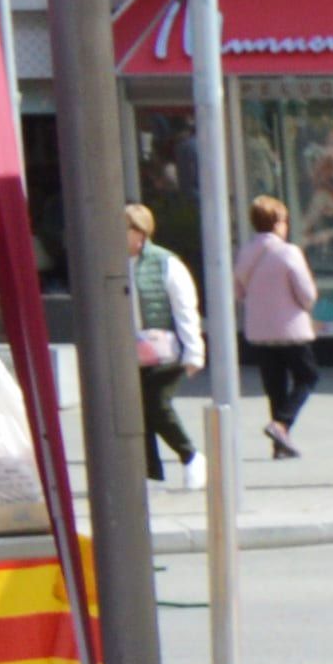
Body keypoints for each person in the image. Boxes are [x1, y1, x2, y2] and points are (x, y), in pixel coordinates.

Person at [235, 195, 321, 457]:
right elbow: (306, 293)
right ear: (277, 222)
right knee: (308, 376)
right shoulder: (288, 252)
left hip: (260, 331)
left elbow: (239, 292)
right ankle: (281, 424)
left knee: (274, 386)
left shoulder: (246, 252)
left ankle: (279, 445)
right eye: (284, 220)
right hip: (291, 330)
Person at [124, 202, 204, 480]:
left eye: (124, 228)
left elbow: (185, 309)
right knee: (139, 412)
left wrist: (194, 352)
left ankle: (191, 455)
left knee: (157, 403)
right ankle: (150, 473)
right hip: (131, 353)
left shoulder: (165, 262)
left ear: (140, 232)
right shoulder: (115, 262)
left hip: (164, 353)